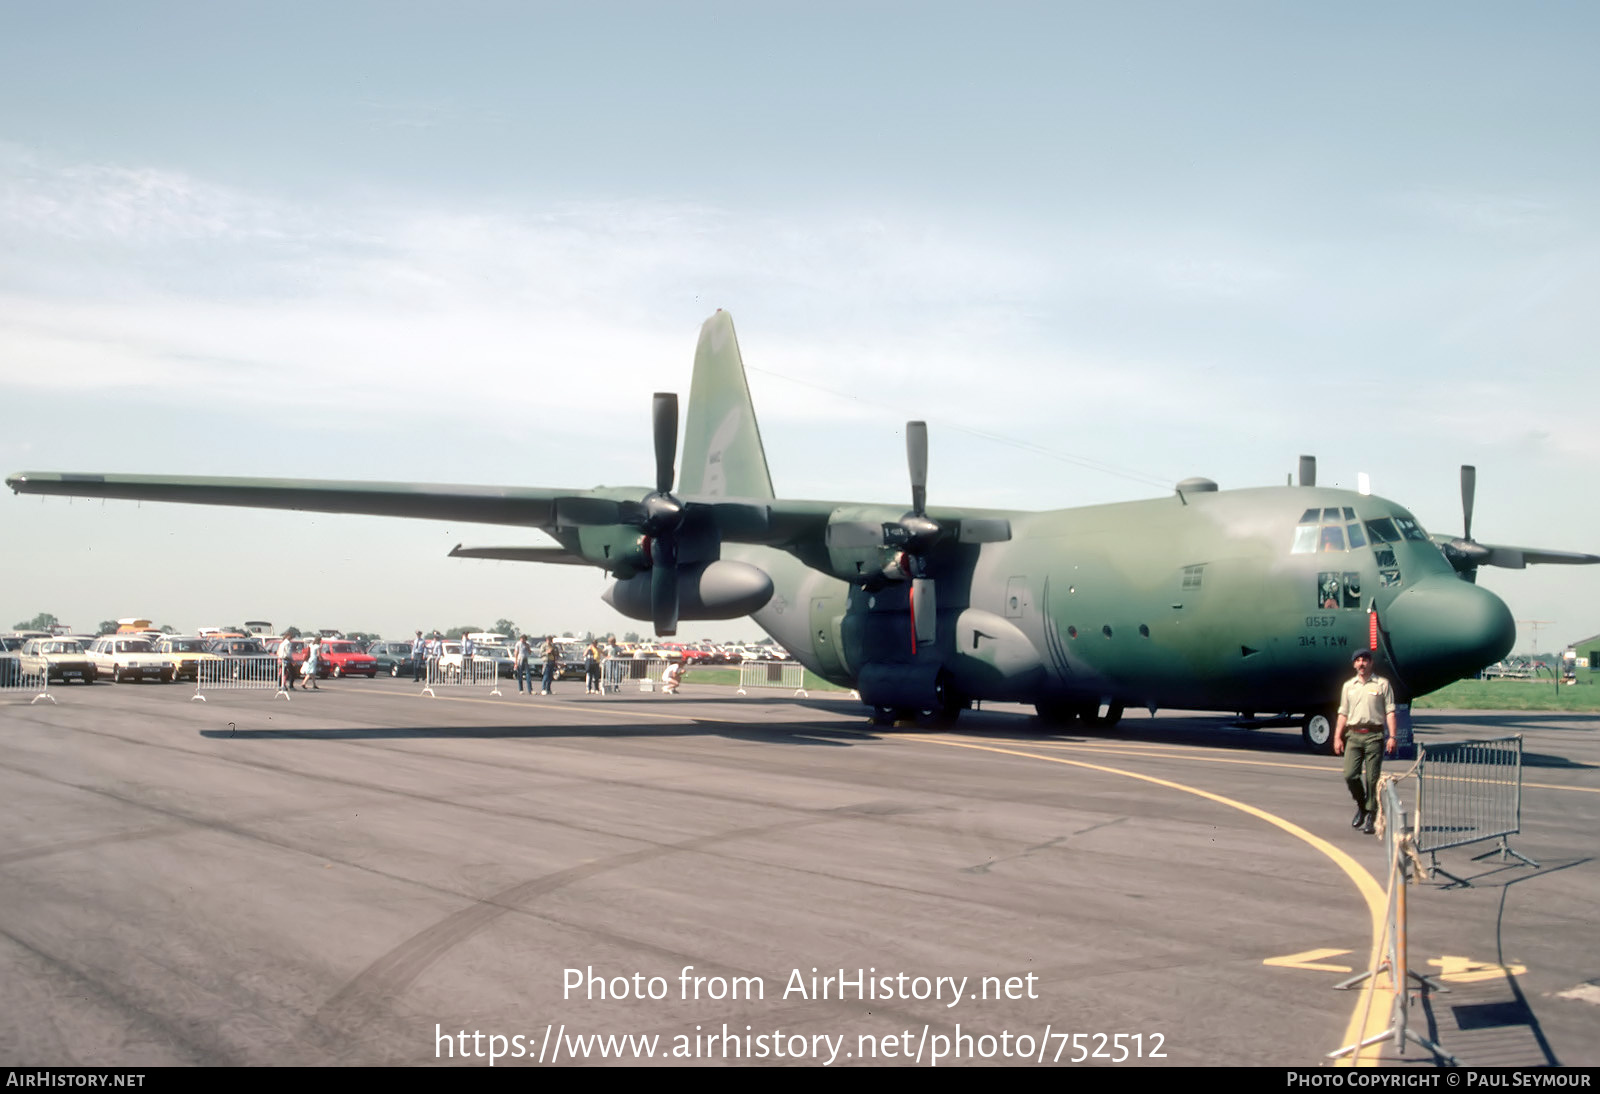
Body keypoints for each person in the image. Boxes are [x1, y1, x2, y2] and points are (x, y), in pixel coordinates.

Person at [1333, 648, 1397, 834]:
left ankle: (1371, 814)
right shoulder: (1348, 686)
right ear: (1354, 664)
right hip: (1353, 735)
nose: (1362, 663)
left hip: (1374, 736)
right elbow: (1343, 713)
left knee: (1372, 779)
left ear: (1371, 663)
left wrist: (1392, 736)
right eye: (1358, 660)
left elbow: (1390, 712)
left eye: (1365, 660)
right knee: (1350, 775)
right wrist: (1337, 737)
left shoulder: (1382, 684)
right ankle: (1362, 806)